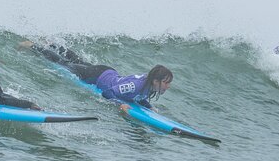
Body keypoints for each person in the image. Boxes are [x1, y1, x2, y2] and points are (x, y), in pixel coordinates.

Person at [19, 41, 172, 113]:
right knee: (63, 63)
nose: (168, 86)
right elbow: (109, 92)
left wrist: (149, 106)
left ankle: (55, 44)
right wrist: (120, 104)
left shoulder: (147, 86)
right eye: (166, 83)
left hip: (106, 72)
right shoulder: (135, 85)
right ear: (155, 81)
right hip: (96, 76)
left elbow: (139, 97)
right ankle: (33, 46)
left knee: (78, 61)